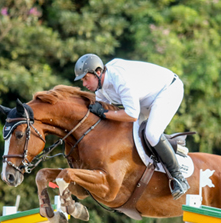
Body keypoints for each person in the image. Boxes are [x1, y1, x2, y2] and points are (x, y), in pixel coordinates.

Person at [74, 53, 190, 200]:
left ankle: (178, 177)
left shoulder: (120, 80)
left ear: (97, 72)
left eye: (85, 78)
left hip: (168, 90)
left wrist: (104, 112)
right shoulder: (100, 87)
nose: (84, 84)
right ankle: (167, 145)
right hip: (145, 99)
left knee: (152, 133)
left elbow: (131, 115)